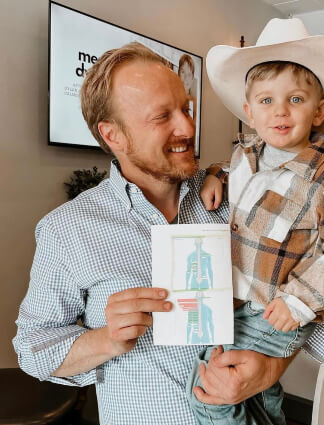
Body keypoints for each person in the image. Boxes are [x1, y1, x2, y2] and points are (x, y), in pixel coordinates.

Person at [12, 42, 298, 425]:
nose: (188, 127)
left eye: (186, 109)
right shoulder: (67, 230)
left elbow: (304, 293)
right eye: (162, 116)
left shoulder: (237, 197)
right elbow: (32, 349)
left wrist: (269, 370)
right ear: (113, 135)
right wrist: (106, 339)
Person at [186, 18, 324, 424]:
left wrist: (299, 300)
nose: (281, 111)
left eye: (295, 99)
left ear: (319, 110)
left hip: (276, 308)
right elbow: (246, 189)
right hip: (230, 301)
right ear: (250, 113)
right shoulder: (242, 158)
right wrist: (216, 175)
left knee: (211, 390)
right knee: (258, 395)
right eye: (267, 101)